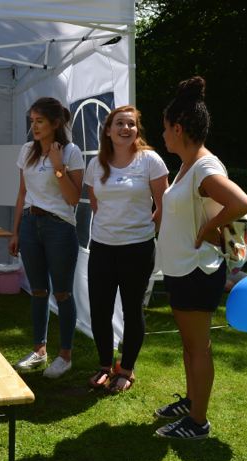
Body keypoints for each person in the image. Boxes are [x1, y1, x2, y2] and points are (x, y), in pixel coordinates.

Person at [153, 76, 247, 440]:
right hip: (182, 268)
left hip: (197, 270)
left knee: (198, 347)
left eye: (165, 128)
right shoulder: (188, 164)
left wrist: (208, 228)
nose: (163, 135)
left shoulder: (205, 167)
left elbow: (240, 202)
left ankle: (198, 422)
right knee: (190, 345)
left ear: (178, 129)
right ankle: (192, 403)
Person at [84, 105, 168, 393]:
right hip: (102, 247)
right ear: (108, 130)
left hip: (137, 249)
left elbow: (163, 205)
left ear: (137, 130)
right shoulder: (96, 165)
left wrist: (145, 232)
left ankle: (127, 369)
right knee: (100, 310)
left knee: (132, 310)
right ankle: (105, 366)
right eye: (119, 123)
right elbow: (95, 204)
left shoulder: (150, 161)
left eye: (131, 124)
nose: (125, 128)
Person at [9, 97, 86, 379]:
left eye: (40, 121)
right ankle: (39, 350)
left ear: (55, 123)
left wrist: (57, 166)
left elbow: (73, 198)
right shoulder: (27, 150)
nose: (34, 127)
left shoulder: (71, 152)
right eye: (32, 121)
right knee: (38, 290)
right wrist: (16, 231)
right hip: (30, 224)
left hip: (59, 227)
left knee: (62, 293)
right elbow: (22, 193)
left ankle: (65, 356)